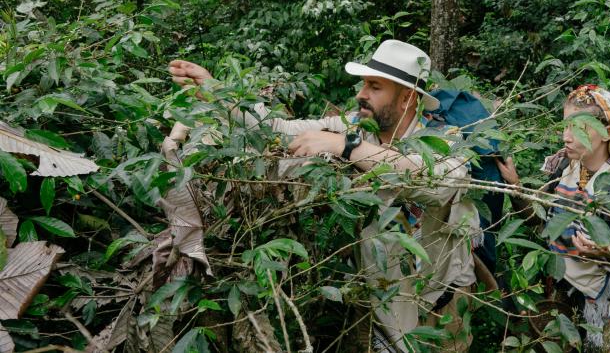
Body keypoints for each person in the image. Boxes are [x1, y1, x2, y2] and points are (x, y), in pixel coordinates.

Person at [168, 39, 477, 352]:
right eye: (364, 84)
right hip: (379, 295)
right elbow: (276, 129)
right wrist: (216, 91)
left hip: (437, 299)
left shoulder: (443, 139)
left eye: (374, 87)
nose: (361, 94)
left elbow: (435, 181)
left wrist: (348, 147)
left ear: (408, 98)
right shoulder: (354, 126)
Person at [498, 84, 610, 351]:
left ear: (607, 131)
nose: (566, 137)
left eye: (578, 127)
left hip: (608, 313)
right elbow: (543, 224)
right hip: (564, 297)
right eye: (565, 126)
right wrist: (516, 188)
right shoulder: (566, 168)